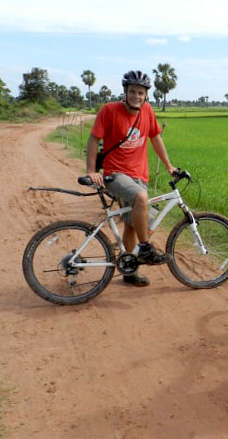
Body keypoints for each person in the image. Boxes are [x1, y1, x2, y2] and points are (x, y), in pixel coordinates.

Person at [87, 70, 177, 287]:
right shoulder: (109, 111)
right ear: (125, 92)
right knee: (140, 198)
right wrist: (91, 170)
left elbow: (155, 138)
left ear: (146, 95)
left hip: (140, 175)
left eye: (141, 93)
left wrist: (168, 166)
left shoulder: (147, 111)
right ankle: (146, 248)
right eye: (133, 92)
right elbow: (93, 139)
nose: (137, 96)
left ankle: (129, 270)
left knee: (130, 226)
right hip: (115, 175)